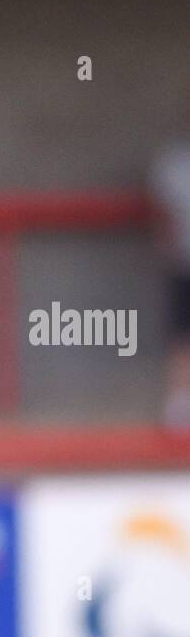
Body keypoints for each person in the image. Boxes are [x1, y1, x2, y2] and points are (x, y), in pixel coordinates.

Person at [148, 97, 190, 427]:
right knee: (181, 334)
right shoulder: (174, 163)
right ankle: (179, 404)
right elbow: (162, 216)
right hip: (184, 263)